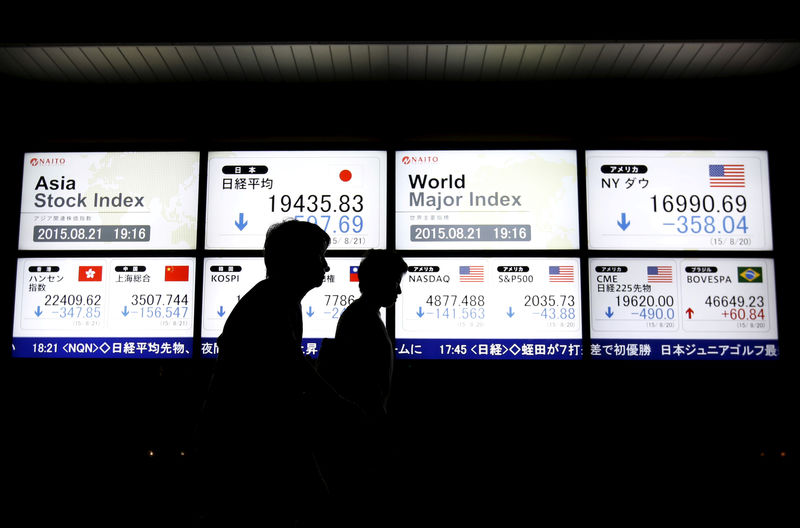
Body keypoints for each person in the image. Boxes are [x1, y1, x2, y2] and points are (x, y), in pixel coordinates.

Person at [194, 219, 348, 527]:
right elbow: (290, 364)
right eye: (319, 256)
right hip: (253, 445)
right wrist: (342, 406)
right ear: (297, 258)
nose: (326, 267)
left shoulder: (272, 298)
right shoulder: (274, 301)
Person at [316, 249, 408, 525]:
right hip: (361, 430)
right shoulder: (364, 321)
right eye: (394, 283)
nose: (399, 292)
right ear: (377, 281)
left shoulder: (359, 316)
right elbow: (364, 382)